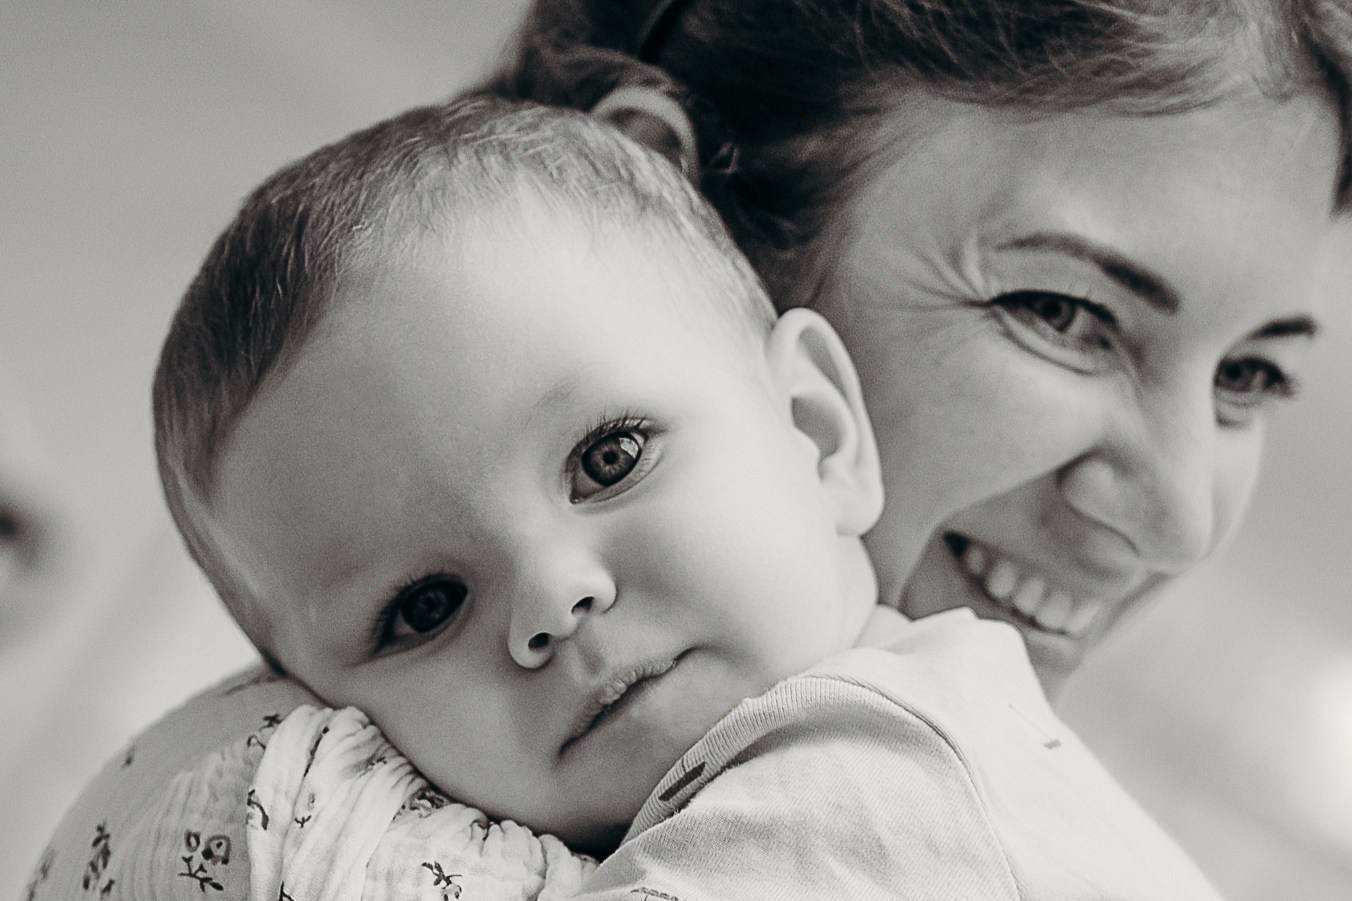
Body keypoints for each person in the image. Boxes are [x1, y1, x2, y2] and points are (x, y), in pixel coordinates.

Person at [31, 0, 1351, 894]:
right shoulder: (267, 811)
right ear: (675, 196)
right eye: (1064, 312)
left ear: (817, 415)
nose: (1181, 514)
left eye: (1252, 375)